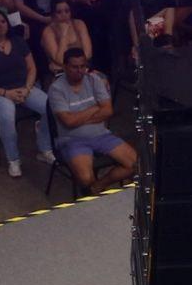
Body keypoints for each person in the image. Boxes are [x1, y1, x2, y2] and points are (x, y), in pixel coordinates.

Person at [0, 7, 54, 178]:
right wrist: (6, 93)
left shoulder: (18, 42)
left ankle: (45, 148)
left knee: (50, 106)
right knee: (8, 115)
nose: (0, 26)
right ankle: (13, 159)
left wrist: (28, 88)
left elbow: (31, 68)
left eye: (3, 22)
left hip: (22, 87)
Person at [47, 47, 134, 194]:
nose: (80, 70)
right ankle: (92, 189)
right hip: (72, 140)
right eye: (75, 67)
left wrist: (78, 118)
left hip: (101, 134)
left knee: (134, 164)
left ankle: (99, 186)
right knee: (86, 179)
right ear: (65, 66)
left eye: (83, 66)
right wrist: (94, 108)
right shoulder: (56, 89)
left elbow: (108, 110)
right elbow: (68, 122)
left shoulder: (94, 80)